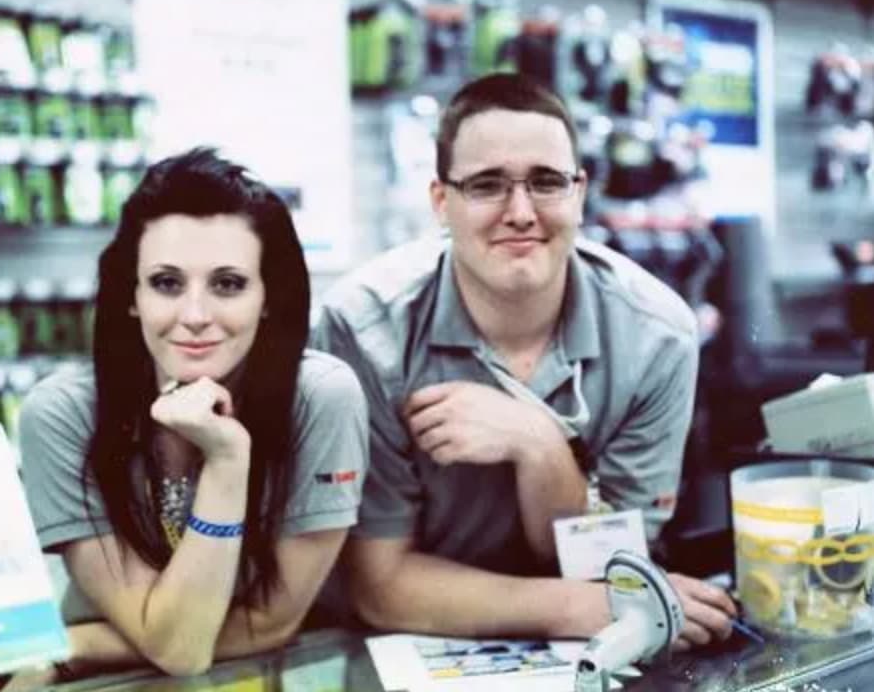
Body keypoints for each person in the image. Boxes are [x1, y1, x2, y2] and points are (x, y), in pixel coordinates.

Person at [311, 73, 736, 649]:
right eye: (487, 185)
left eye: (545, 182)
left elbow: (607, 562)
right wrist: (583, 606)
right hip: (398, 650)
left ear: (579, 193)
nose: (520, 212)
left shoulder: (658, 337)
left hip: (581, 646)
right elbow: (379, 587)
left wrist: (539, 445)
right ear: (442, 201)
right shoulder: (363, 332)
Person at [17, 147, 368, 680]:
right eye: (166, 283)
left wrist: (227, 458)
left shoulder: (322, 396)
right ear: (131, 295)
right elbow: (177, 648)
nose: (196, 316)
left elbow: (264, 627)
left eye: (228, 284)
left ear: (268, 297)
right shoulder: (63, 414)